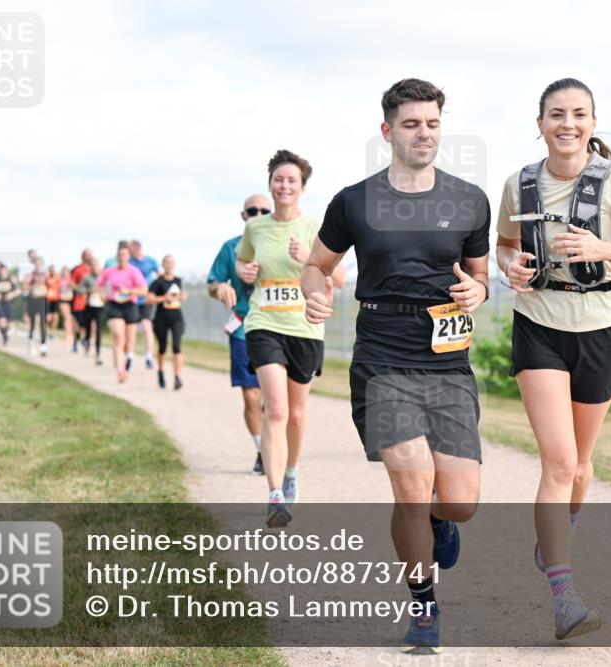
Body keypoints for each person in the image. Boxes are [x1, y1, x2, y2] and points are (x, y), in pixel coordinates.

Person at [302, 78, 491, 652]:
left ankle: (439, 521)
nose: (423, 133)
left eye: (432, 123)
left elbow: (480, 277)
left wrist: (477, 294)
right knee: (411, 486)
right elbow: (317, 264)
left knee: (458, 500)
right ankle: (424, 606)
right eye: (411, 124)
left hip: (446, 355)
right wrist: (316, 290)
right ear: (388, 131)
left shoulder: (469, 199)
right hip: (383, 352)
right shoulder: (354, 201)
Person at [496, 78, 611, 640]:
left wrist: (608, 249)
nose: (567, 124)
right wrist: (511, 268)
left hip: (601, 328)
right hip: (539, 327)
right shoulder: (519, 183)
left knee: (579, 465)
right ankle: (564, 594)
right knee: (556, 462)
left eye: (578, 114)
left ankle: (559, 535)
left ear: (593, 123)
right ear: (540, 123)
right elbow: (504, 244)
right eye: (556, 114)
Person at [237, 150, 346, 527]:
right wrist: (246, 270)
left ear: (302, 188)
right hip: (263, 322)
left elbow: (342, 278)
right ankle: (274, 495)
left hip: (304, 327)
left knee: (297, 416)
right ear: (270, 183)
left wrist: (308, 260)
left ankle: (291, 471)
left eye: (291, 181)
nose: (284, 186)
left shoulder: (316, 227)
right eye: (278, 179)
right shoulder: (256, 228)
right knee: (277, 410)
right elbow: (242, 259)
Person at [207, 193, 272, 475]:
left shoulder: (279, 245)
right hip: (243, 327)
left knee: (274, 397)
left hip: (278, 326)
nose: (257, 214)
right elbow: (213, 282)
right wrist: (219, 289)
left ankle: (276, 446)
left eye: (263, 210)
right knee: (251, 395)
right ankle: (262, 451)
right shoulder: (230, 248)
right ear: (243, 216)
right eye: (252, 210)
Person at [98, 244, 147, 382]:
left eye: (125, 255)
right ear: (117, 256)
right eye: (119, 255)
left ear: (128, 257)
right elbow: (99, 285)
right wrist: (102, 294)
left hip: (130, 305)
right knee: (119, 338)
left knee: (129, 341)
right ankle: (120, 370)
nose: (122, 258)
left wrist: (130, 291)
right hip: (114, 305)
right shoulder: (109, 271)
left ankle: (128, 357)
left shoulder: (134, 271)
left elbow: (143, 289)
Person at [147, 255, 188, 390]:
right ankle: (160, 371)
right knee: (163, 347)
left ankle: (177, 377)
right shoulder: (157, 282)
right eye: (167, 262)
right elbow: (149, 299)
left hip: (176, 317)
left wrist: (182, 297)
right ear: (163, 265)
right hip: (161, 317)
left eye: (172, 262)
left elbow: (182, 295)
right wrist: (164, 298)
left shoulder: (178, 280)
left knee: (177, 346)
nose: (169, 265)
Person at [129, 240, 160, 371]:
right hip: (133, 299)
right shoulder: (129, 262)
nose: (132, 252)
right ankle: (129, 356)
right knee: (132, 330)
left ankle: (148, 356)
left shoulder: (151, 261)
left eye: (133, 249)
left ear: (138, 248)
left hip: (146, 300)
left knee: (147, 327)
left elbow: (159, 276)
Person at [76, 259, 105, 365]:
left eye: (96, 265)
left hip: (100, 306)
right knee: (88, 329)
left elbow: (109, 289)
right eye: (93, 266)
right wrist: (89, 291)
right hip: (89, 305)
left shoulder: (103, 277)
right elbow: (79, 290)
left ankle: (98, 354)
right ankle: (86, 341)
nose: (95, 268)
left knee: (98, 330)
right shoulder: (86, 278)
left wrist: (103, 294)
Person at [70, 250, 95, 352]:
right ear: (83, 257)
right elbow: (71, 283)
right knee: (79, 323)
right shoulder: (78, 269)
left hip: (93, 301)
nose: (89, 257)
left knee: (91, 323)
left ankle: (87, 341)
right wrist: (80, 290)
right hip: (80, 300)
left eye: (90, 255)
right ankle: (76, 341)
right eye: (87, 255)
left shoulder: (95, 270)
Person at [23, 258, 49, 356]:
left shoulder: (45, 275)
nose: (38, 266)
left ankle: (43, 346)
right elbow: (25, 287)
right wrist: (33, 286)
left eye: (40, 264)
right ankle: (31, 341)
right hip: (32, 300)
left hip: (42, 301)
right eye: (37, 264)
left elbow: (50, 286)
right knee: (33, 323)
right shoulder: (31, 275)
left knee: (42, 323)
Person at [0, 265, 19, 346]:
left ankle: (6, 334)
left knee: (8, 323)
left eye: (4, 270)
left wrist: (12, 294)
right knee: (1, 322)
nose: (2, 272)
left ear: (7, 271)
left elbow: (18, 291)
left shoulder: (11, 279)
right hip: (0, 303)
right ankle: (5, 337)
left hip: (10, 303)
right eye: (1, 271)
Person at [57, 266, 75, 348]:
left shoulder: (72, 279)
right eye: (63, 272)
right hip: (62, 300)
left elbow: (75, 288)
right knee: (67, 317)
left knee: (71, 318)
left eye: (66, 272)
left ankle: (72, 333)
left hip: (71, 300)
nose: (65, 273)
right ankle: (68, 335)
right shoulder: (59, 280)